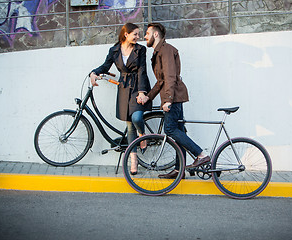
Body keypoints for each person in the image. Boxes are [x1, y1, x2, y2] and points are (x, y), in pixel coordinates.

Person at [138, 23, 210, 179]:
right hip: (172, 97)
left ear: (155, 35)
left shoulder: (166, 50)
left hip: (174, 98)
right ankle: (180, 170)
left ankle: (201, 155)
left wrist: (168, 100)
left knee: (170, 129)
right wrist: (148, 96)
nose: (145, 36)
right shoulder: (159, 52)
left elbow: (170, 77)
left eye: (147, 33)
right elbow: (160, 81)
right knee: (179, 131)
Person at [90, 23, 152, 175]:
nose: (138, 37)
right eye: (135, 34)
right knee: (130, 126)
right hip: (124, 89)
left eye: (138, 34)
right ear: (126, 34)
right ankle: (134, 160)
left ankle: (142, 135)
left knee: (137, 117)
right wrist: (93, 72)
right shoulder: (114, 50)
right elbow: (105, 66)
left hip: (138, 87)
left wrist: (142, 92)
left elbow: (142, 70)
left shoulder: (140, 49)